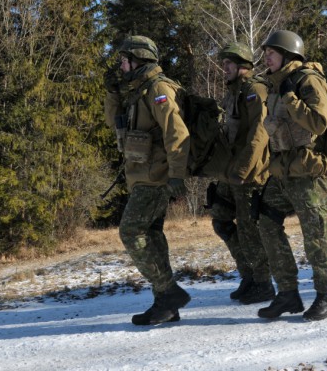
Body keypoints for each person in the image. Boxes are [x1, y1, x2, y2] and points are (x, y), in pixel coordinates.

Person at [104, 35, 191, 325]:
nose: (121, 65)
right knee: (152, 236)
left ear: (137, 59)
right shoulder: (136, 91)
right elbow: (112, 122)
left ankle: (169, 292)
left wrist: (177, 174)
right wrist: (113, 92)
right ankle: (165, 305)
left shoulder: (158, 88)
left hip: (156, 177)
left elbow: (176, 133)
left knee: (130, 231)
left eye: (124, 60)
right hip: (142, 176)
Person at [255, 30, 327, 321]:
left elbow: (319, 123)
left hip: (307, 171)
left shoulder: (307, 80)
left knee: (316, 233)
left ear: (289, 54)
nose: (267, 57)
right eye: (267, 52)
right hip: (282, 171)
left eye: (272, 52)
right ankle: (288, 294)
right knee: (265, 223)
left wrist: (291, 99)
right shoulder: (277, 86)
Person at [209, 42, 274, 304]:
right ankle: (248, 274)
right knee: (221, 219)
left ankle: (263, 283)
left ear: (243, 66)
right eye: (224, 64)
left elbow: (260, 133)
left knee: (249, 230)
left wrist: (244, 169)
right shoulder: (233, 92)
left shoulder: (255, 90)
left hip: (251, 174)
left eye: (229, 64)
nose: (224, 68)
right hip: (232, 172)